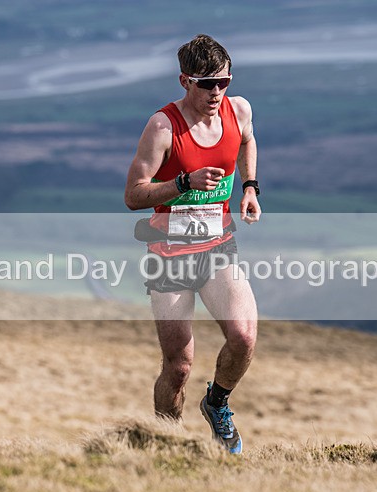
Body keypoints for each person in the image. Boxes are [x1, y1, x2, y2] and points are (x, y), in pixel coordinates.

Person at [124, 34, 261, 454]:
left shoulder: (239, 110)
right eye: (207, 83)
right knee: (179, 366)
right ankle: (168, 443)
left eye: (224, 81)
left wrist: (250, 188)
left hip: (217, 247)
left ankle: (216, 402)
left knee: (243, 336)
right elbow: (133, 195)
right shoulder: (163, 126)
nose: (217, 92)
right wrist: (182, 183)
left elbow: (246, 141)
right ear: (185, 81)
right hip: (169, 257)